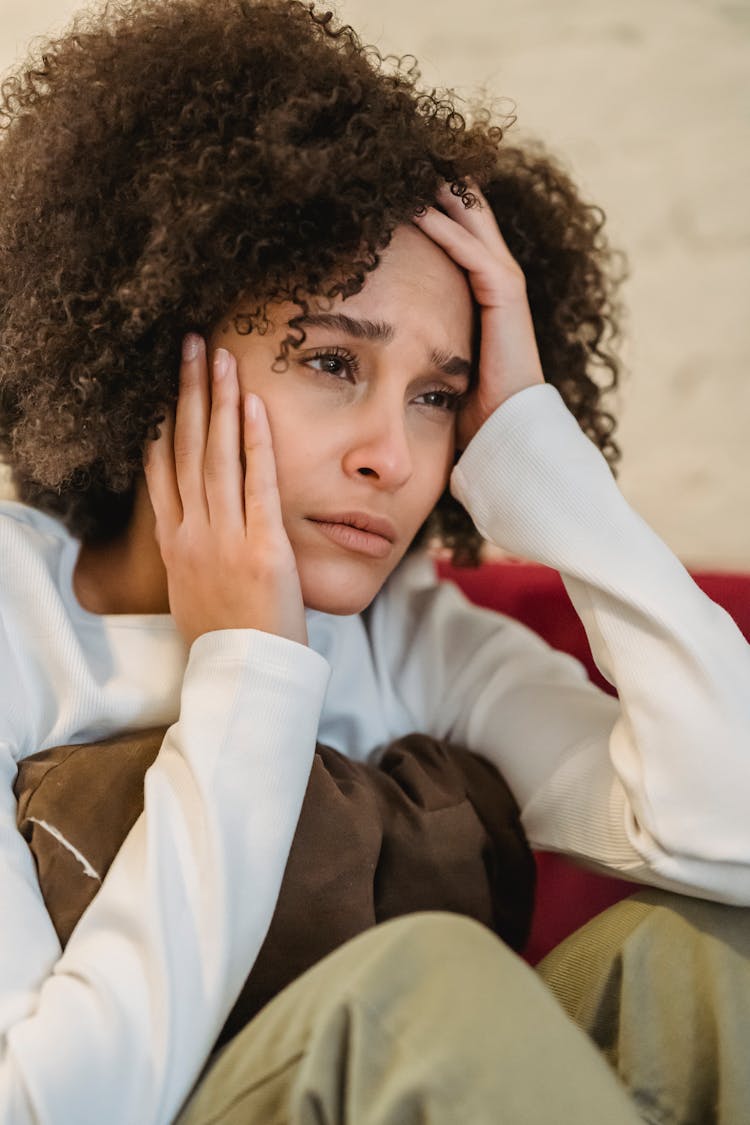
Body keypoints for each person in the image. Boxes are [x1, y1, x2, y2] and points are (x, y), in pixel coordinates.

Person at [0, 0, 748, 1123]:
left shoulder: (412, 635)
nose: (394, 460)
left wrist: (543, 459)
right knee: (419, 987)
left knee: (698, 952)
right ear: (157, 347)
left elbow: (731, 835)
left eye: (439, 396)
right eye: (331, 361)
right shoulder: (13, 618)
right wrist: (248, 670)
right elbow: (52, 1105)